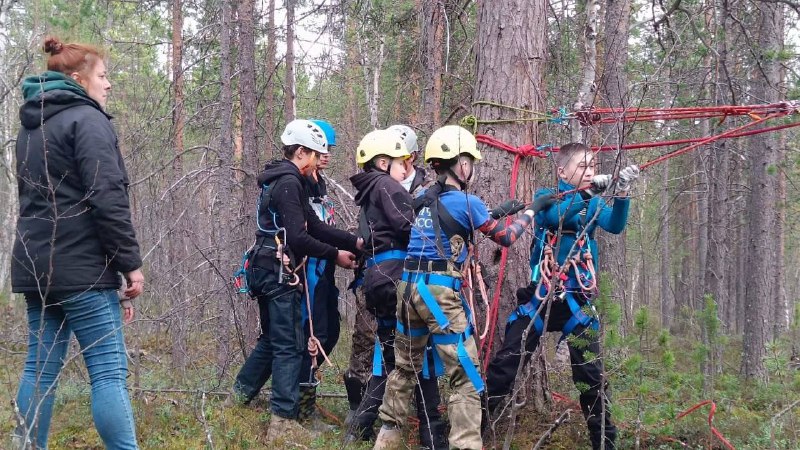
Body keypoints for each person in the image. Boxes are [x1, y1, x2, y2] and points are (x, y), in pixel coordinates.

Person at [373, 125, 554, 450]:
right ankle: (466, 444)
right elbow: (507, 237)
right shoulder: (467, 202)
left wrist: (498, 212)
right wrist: (531, 210)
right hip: (438, 294)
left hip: (408, 290)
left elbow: (454, 221)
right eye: (469, 161)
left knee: (404, 368)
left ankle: (386, 439)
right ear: (461, 164)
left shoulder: (424, 197)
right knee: (466, 377)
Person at [11, 37, 144, 450]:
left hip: (37, 268)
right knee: (107, 371)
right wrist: (130, 265)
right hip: (83, 270)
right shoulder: (88, 122)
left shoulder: (30, 127)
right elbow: (107, 197)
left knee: (38, 370)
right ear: (77, 79)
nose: (108, 85)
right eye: (102, 77)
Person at [484, 142, 639, 450]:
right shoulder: (546, 196)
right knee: (505, 367)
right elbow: (558, 217)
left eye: (593, 167)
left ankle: (605, 444)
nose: (590, 171)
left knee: (591, 379)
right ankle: (470, 431)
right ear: (562, 171)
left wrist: (621, 192)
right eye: (582, 166)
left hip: (577, 302)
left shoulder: (593, 204)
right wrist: (588, 193)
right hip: (540, 299)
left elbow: (616, 225)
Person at [230, 119, 361, 444]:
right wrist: (335, 254)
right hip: (276, 271)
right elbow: (300, 238)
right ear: (301, 152)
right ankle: (284, 420)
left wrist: (353, 242)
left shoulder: (288, 181)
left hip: (264, 266)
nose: (320, 161)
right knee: (290, 345)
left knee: (274, 340)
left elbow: (315, 226)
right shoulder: (289, 182)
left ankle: (237, 398)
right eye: (316, 154)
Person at [345, 130, 447, 449]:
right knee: (419, 353)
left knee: (393, 358)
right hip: (394, 278)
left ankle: (363, 430)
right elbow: (407, 226)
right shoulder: (387, 185)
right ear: (383, 162)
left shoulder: (371, 191)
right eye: (402, 163)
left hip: (378, 281)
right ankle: (432, 437)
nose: (407, 169)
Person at [297, 119, 341, 428]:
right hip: (307, 272)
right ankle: (302, 409)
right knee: (313, 335)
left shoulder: (319, 184)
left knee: (331, 331)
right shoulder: (299, 183)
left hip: (324, 271)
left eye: (330, 150)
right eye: (321, 149)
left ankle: (305, 394)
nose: (326, 155)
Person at [387, 124, 432, 197]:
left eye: (395, 158)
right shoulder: (379, 187)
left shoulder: (429, 189)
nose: (389, 163)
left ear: (411, 157)